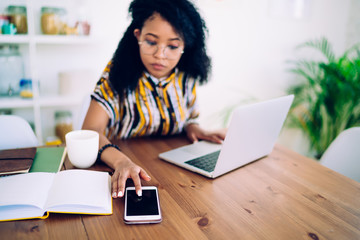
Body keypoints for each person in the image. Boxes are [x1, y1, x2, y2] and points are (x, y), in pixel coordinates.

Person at [82, 0, 226, 199]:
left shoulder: (186, 75)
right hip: (126, 171)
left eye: (173, 46)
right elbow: (90, 130)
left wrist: (193, 127)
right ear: (138, 36)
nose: (160, 55)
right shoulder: (117, 72)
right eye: (151, 42)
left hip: (176, 177)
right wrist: (121, 162)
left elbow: (188, 118)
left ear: (185, 46)